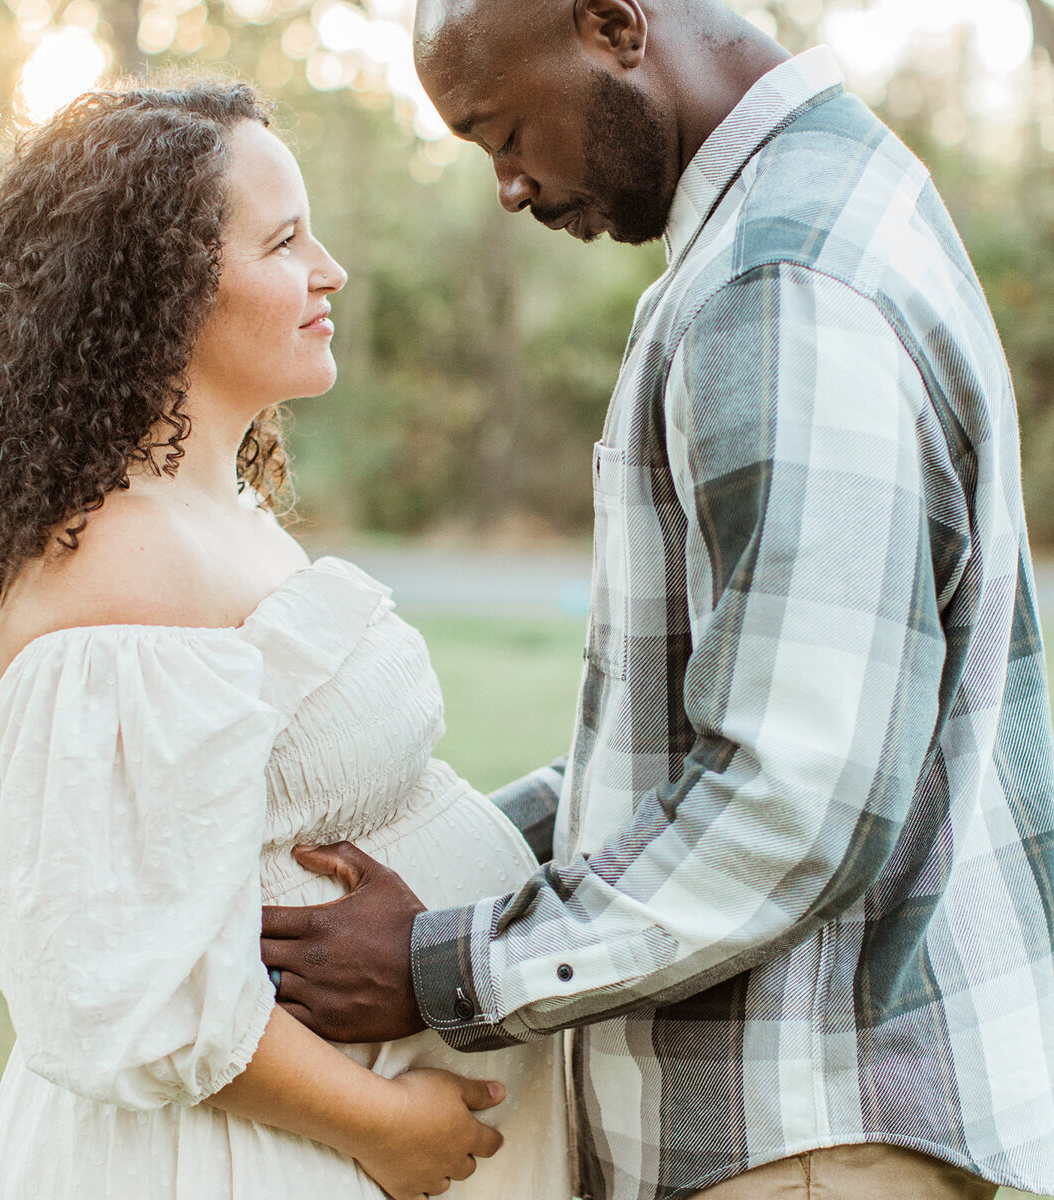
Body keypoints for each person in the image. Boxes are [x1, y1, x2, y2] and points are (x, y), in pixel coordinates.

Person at [258, 2, 1054, 1198]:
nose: (511, 189)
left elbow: (790, 800)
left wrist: (444, 969)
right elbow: (715, 736)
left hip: (810, 1136)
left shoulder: (778, 280)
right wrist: (452, 845)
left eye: (504, 132)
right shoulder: (833, 199)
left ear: (613, 24)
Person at [0, 79, 571, 1200]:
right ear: (158, 288)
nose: (330, 269)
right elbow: (130, 983)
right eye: (286, 240)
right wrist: (388, 1123)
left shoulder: (210, 521)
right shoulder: (122, 559)